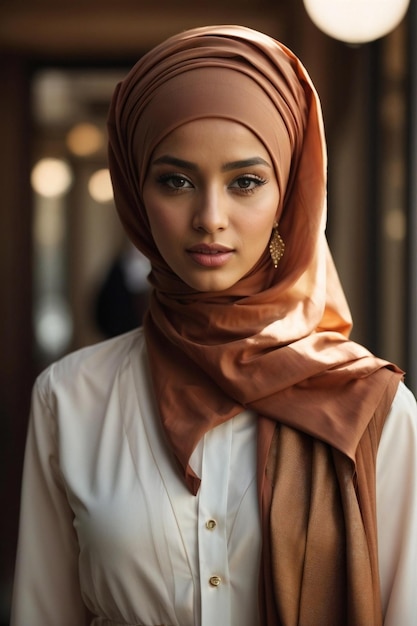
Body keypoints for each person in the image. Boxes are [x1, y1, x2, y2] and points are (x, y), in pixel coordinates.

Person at [11, 25, 417, 626]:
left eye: (246, 182)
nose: (209, 218)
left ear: (286, 198)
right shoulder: (70, 399)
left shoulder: (373, 411)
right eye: (175, 181)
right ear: (135, 196)